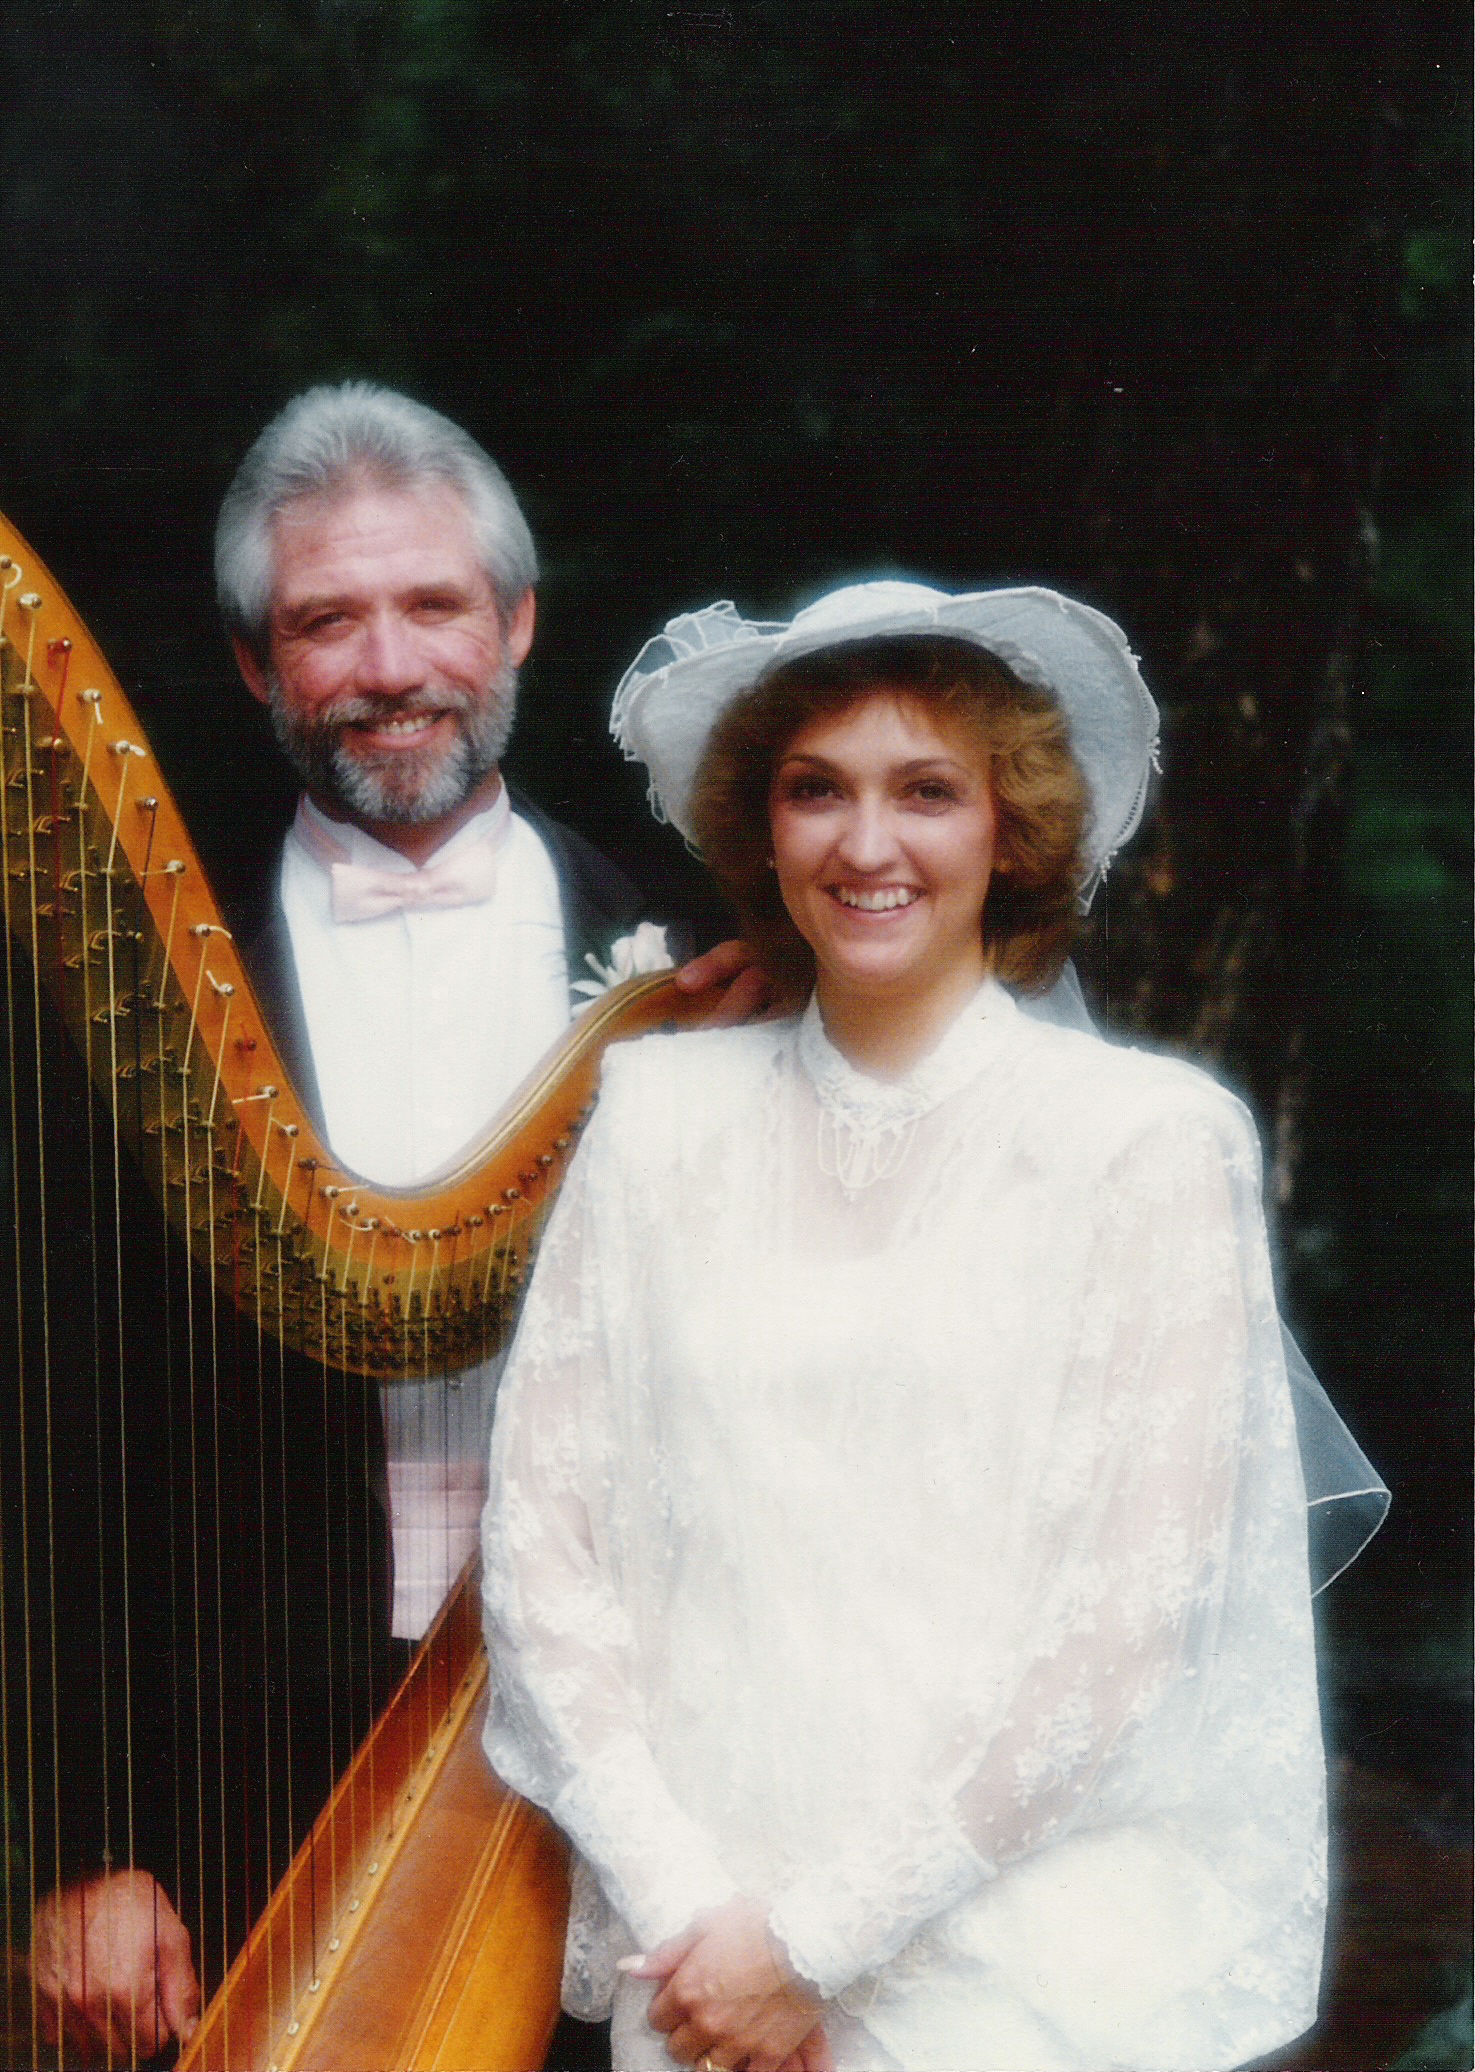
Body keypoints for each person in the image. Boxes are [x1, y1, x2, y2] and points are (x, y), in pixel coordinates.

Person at [480, 580, 1386, 2072]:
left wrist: (817, 1942)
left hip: (1021, 1967)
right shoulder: (653, 1117)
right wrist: (698, 1910)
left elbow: (1127, 1630)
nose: (867, 842)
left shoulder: (1151, 1143)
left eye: (927, 791)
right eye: (816, 790)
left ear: (1010, 828)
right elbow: (541, 1548)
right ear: (761, 831)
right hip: (703, 1967)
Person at [26, 383, 758, 2061]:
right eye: (326, 622)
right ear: (254, 666)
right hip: (233, 1767)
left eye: (432, 605)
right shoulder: (126, 999)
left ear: (514, 626)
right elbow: (47, 1442)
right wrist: (79, 1846)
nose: (387, 667)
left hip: (647, 1749)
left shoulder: (690, 962)